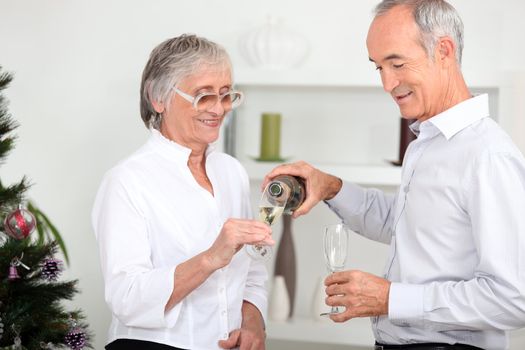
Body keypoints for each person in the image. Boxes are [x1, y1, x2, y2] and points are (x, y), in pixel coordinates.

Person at [264, 1, 525, 349]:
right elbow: (406, 224)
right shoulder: (428, 142)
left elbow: (514, 299)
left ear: (444, 50)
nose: (388, 83)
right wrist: (330, 187)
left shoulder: (487, 155)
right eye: (379, 68)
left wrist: (391, 298)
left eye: (397, 64)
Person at [92, 34, 272, 350]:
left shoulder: (232, 172)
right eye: (203, 96)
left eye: (226, 95)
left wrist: (253, 323)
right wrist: (210, 259)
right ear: (158, 98)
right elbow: (126, 298)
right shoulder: (126, 181)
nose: (219, 109)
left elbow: (253, 266)